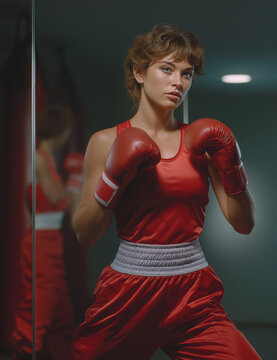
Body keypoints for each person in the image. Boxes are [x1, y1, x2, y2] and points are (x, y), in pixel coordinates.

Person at [69, 24, 260, 359]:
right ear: (139, 72)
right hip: (128, 292)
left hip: (193, 292)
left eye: (187, 74)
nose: (178, 82)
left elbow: (243, 224)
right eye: (167, 69)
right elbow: (85, 234)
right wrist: (114, 179)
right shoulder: (106, 141)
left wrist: (234, 167)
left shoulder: (203, 141)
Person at [12, 105, 84, 360]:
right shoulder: (40, 157)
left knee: (62, 313)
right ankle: (22, 354)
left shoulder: (50, 159)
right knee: (41, 307)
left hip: (52, 242)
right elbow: (55, 197)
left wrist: (75, 182)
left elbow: (69, 210)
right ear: (61, 130)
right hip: (39, 244)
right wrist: (75, 180)